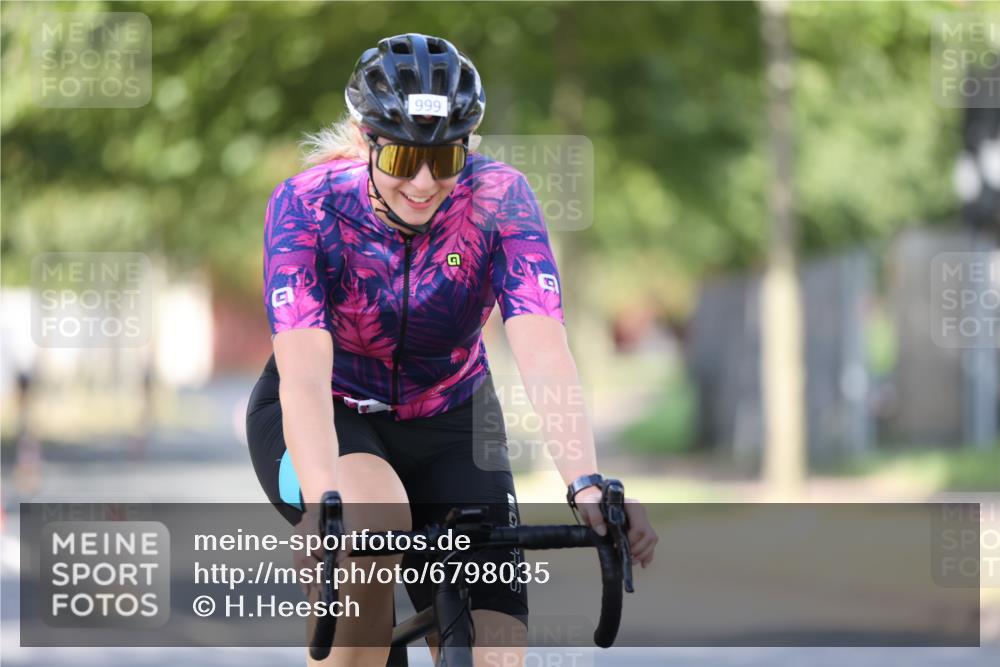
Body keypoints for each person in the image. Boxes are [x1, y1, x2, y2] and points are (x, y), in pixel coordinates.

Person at [245, 33, 658, 667]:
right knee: (371, 524)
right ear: (367, 141)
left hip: (456, 417)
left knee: (496, 653)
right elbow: (302, 373)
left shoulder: (499, 200)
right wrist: (324, 502)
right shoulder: (307, 206)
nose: (424, 181)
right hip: (331, 413)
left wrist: (585, 484)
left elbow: (544, 351)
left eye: (445, 158)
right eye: (405, 157)